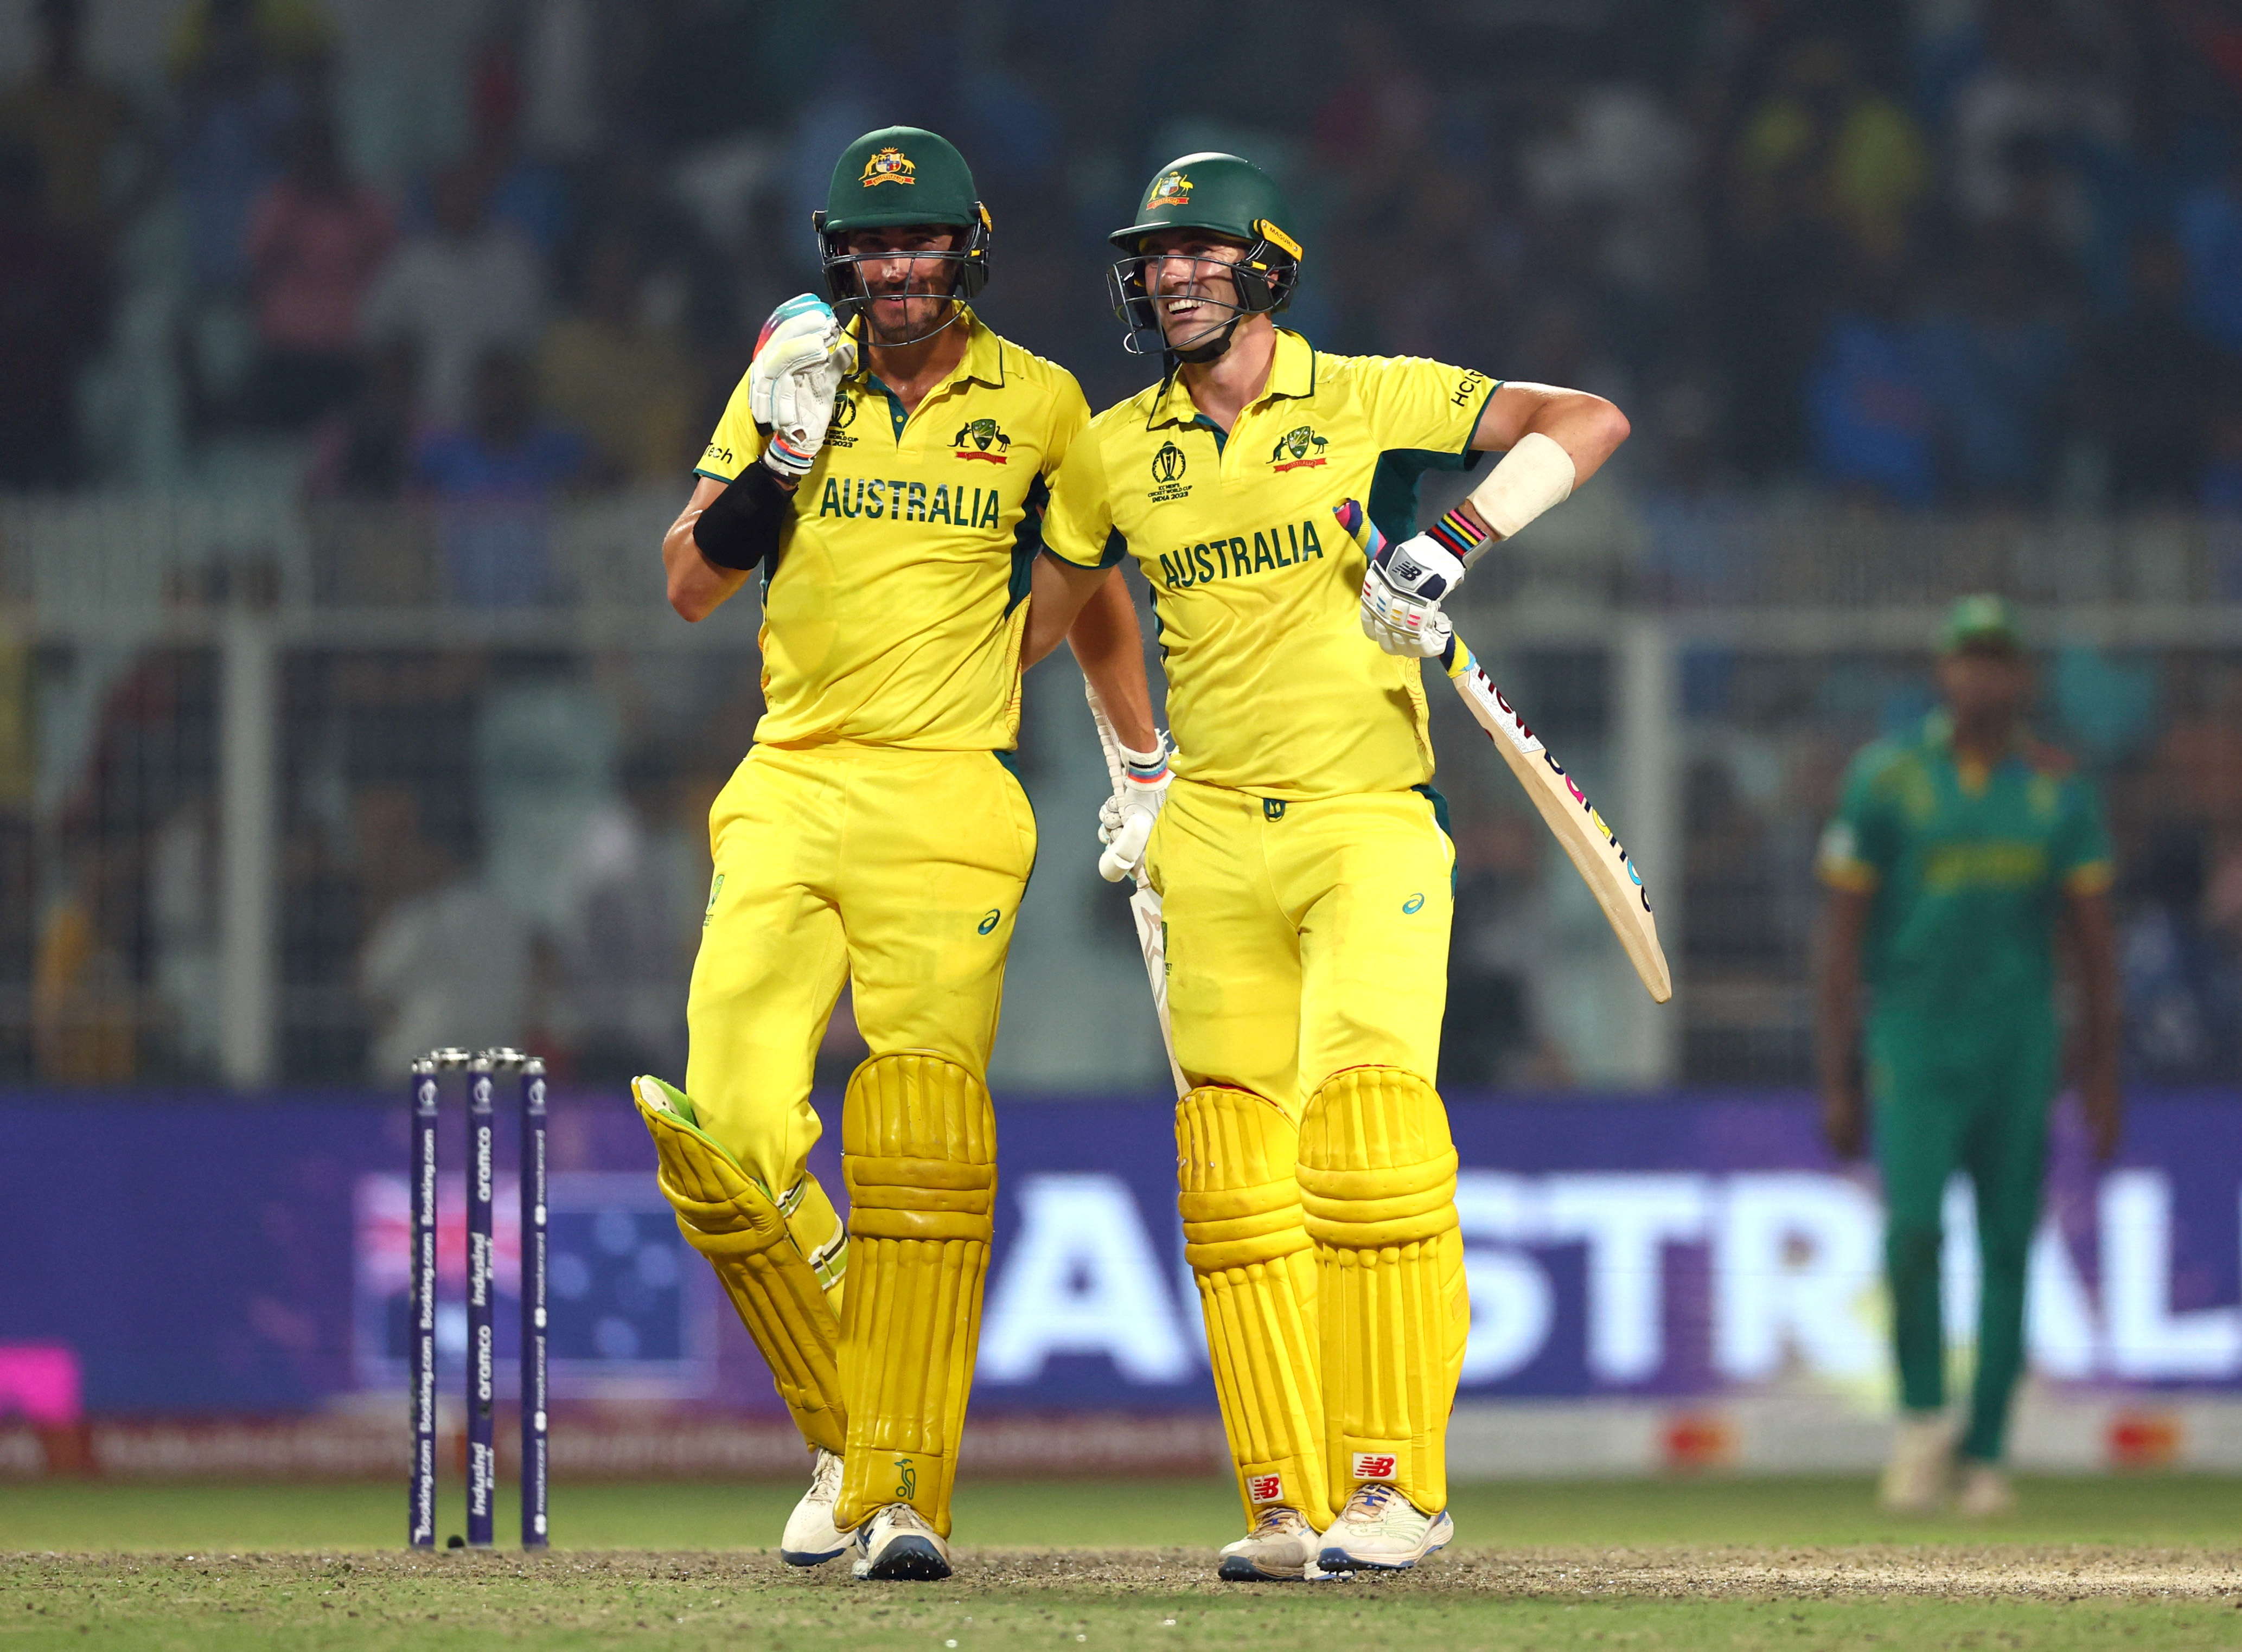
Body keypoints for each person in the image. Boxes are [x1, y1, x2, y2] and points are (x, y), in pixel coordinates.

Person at [1025, 153, 1630, 1578]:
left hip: (1366, 816)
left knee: (1365, 1131)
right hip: (1209, 836)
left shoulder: (1364, 395)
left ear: (1263, 266)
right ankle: (1288, 1502)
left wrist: (1449, 543)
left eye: (1199, 251)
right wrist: (1135, 760)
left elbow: (1584, 419)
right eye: (1153, 256)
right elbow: (1070, 603)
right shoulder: (1114, 447)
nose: (1171, 273)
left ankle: (1396, 1486)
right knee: (1232, 1166)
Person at [633, 126, 1153, 1583]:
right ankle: (863, 1428)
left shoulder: (1043, 399)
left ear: (963, 248)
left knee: (917, 1144)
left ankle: (899, 1485)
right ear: (838, 257)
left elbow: (1085, 587)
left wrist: (1135, 756)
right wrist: (781, 459)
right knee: (724, 1129)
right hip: (789, 781)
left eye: (916, 244)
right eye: (868, 248)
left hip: (947, 798)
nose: (892, 272)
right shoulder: (793, 373)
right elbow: (687, 581)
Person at [1817, 594, 2123, 1519]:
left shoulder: (2056, 788)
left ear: (2020, 678)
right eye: (1965, 659)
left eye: (1997, 661)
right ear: (1942, 674)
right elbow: (1838, 937)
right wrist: (1837, 1072)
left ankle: (1985, 1450)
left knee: (2006, 1248)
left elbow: (2092, 945)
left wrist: (2103, 1069)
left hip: (2018, 1039)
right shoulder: (1887, 779)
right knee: (1912, 1232)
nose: (1980, 676)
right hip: (1910, 1033)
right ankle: (1920, 1422)